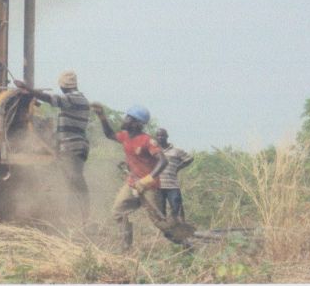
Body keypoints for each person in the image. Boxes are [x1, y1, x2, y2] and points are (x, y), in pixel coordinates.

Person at [92, 103, 188, 250]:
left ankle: (187, 244)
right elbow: (110, 134)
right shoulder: (125, 136)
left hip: (149, 187)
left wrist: (146, 181)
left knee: (160, 223)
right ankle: (126, 247)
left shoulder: (147, 141)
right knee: (118, 212)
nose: (125, 119)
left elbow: (163, 161)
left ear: (137, 124)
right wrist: (102, 116)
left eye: (129, 118)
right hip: (132, 184)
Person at [14, 70, 91, 224]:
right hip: (71, 147)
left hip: (72, 146)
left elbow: (49, 98)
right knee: (71, 182)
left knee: (75, 180)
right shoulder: (76, 99)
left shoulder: (73, 98)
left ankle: (84, 217)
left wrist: (28, 89)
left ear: (63, 86)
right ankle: (73, 217)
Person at [155, 128, 193, 223]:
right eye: (158, 135)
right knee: (160, 211)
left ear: (167, 137)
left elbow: (189, 158)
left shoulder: (176, 151)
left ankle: (182, 229)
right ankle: (165, 234)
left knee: (177, 208)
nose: (160, 137)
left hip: (172, 185)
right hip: (157, 185)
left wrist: (178, 167)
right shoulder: (154, 151)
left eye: (162, 135)